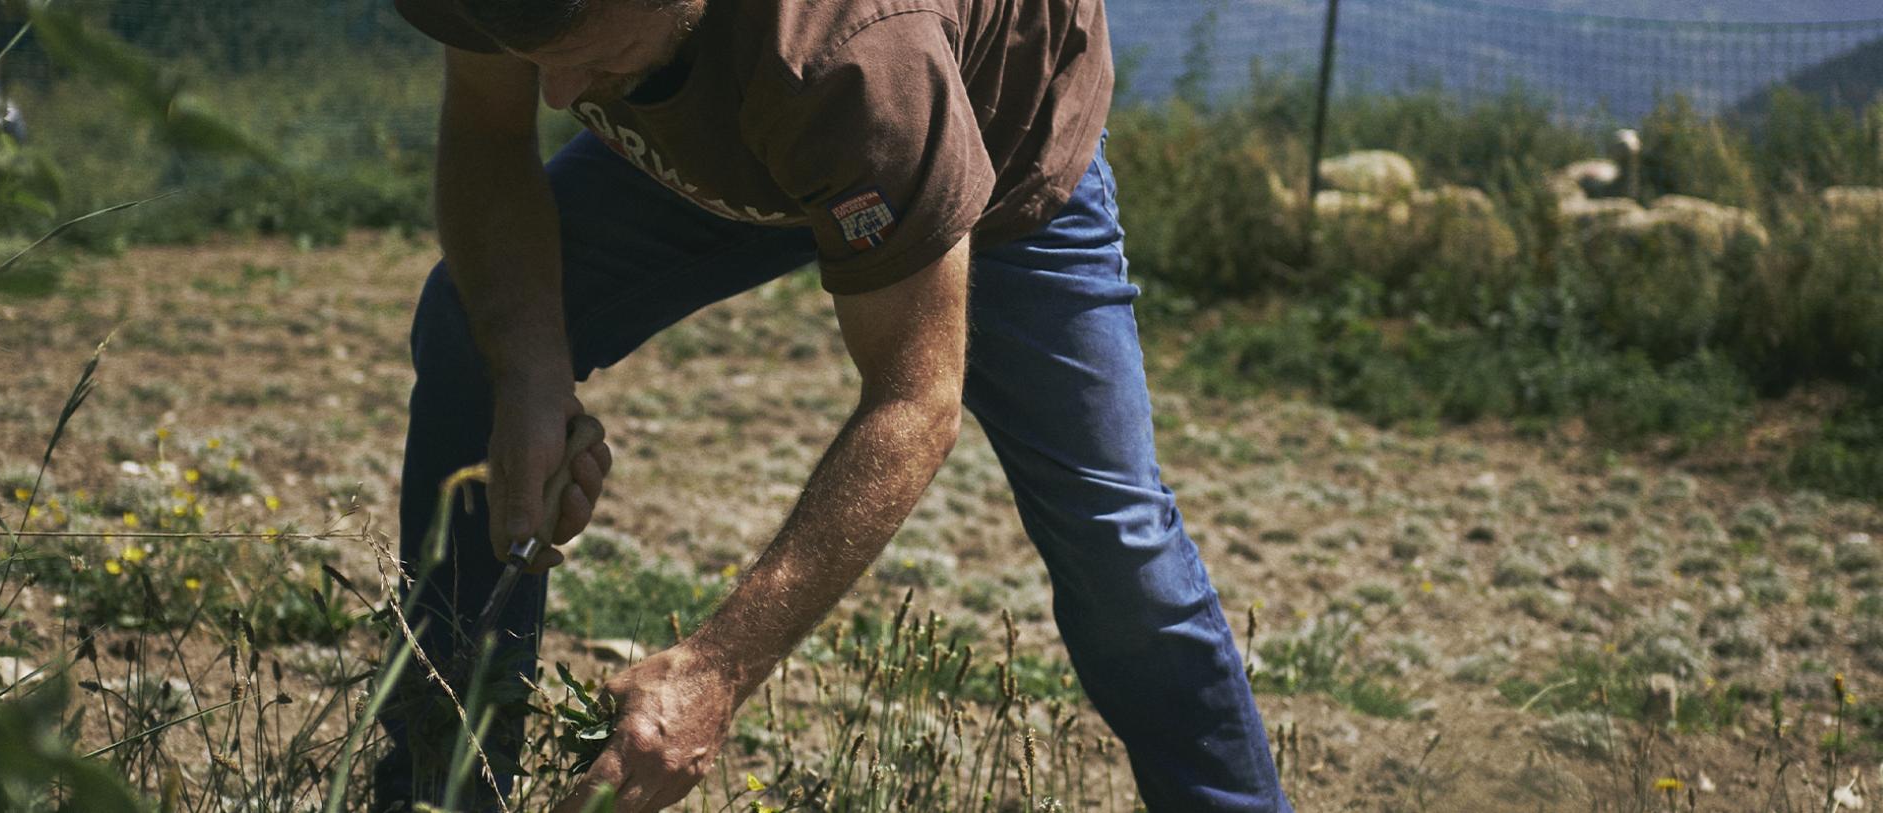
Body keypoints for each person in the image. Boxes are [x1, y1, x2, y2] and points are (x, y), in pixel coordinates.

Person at [378, 0, 1294, 808]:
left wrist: (716, 669)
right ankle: (440, 785)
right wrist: (531, 374)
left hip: (988, 147)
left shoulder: (856, 57)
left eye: (583, 49)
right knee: (476, 334)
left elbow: (913, 399)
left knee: (1119, 548)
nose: (557, 92)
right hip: (734, 122)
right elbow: (493, 132)